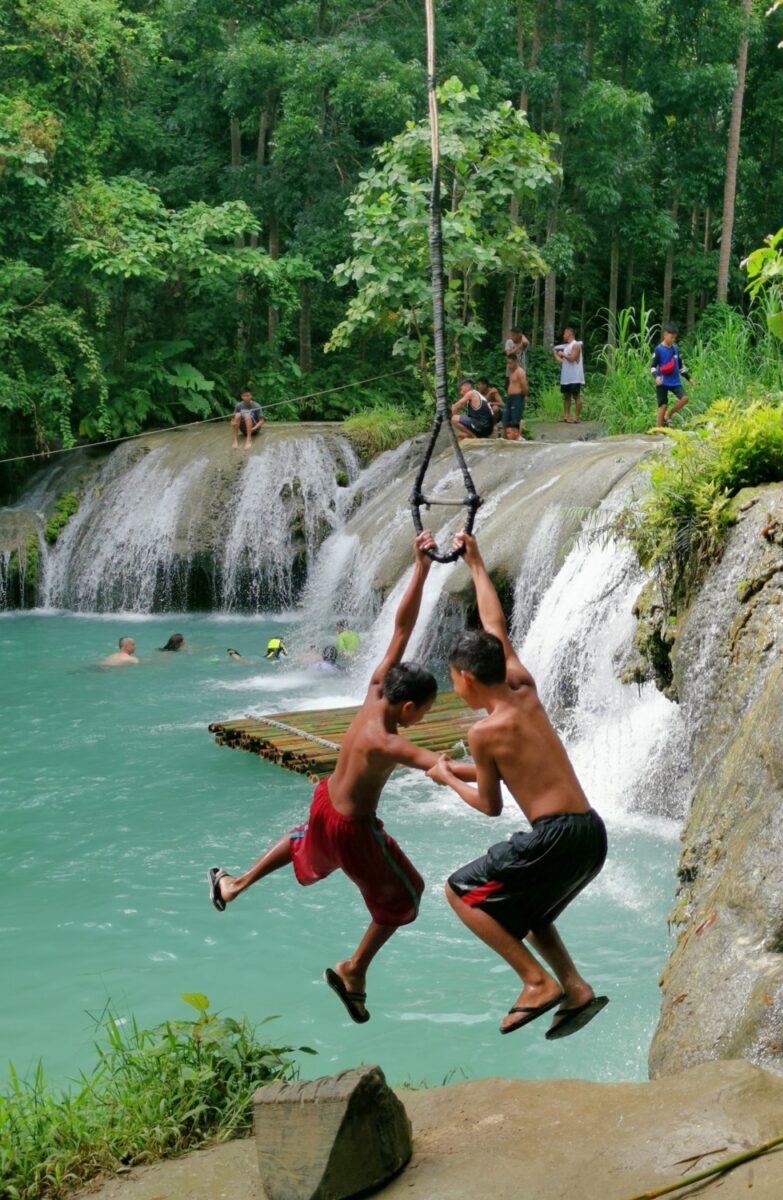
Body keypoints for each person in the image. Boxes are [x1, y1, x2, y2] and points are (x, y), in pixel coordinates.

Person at [207, 532, 446, 1024]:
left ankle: (234, 884)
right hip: (354, 829)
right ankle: (354, 969)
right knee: (410, 895)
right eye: (426, 710)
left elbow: (402, 626)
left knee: (301, 839)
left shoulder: (377, 686)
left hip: (325, 803)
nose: (424, 716)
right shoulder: (389, 739)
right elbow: (439, 767)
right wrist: (494, 768)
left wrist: (420, 567)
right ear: (408, 708)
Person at [428, 532, 608, 1040]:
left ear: (464, 678)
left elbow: (489, 804)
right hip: (590, 835)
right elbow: (494, 623)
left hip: (552, 836)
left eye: (452, 679)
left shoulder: (481, 731)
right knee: (527, 911)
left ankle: (536, 982)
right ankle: (573, 987)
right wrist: (477, 563)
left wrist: (445, 778)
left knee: (461, 892)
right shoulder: (522, 687)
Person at [650, 324, 691, 428]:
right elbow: (653, 367)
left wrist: (689, 378)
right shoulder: (658, 349)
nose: (673, 339)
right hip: (662, 381)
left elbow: (680, 366)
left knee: (685, 398)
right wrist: (656, 377)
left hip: (675, 381)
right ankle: (659, 431)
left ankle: (669, 415)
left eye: (674, 337)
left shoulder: (675, 348)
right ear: (665, 335)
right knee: (663, 405)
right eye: (671, 337)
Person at [554, 328, 585, 423]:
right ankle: (566, 416)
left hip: (575, 377)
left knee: (576, 396)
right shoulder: (567, 346)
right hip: (566, 377)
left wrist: (562, 354)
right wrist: (555, 354)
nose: (563, 335)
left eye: (564, 333)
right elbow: (562, 362)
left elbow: (572, 359)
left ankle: (576, 417)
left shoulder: (576, 345)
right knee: (566, 396)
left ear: (569, 334)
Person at [502, 356, 528, 441]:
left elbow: (524, 386)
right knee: (505, 419)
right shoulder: (512, 372)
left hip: (517, 397)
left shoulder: (520, 372)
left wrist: (524, 397)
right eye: (507, 363)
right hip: (510, 398)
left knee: (515, 421)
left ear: (515, 361)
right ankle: (507, 438)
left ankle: (517, 438)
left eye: (510, 363)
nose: (509, 365)